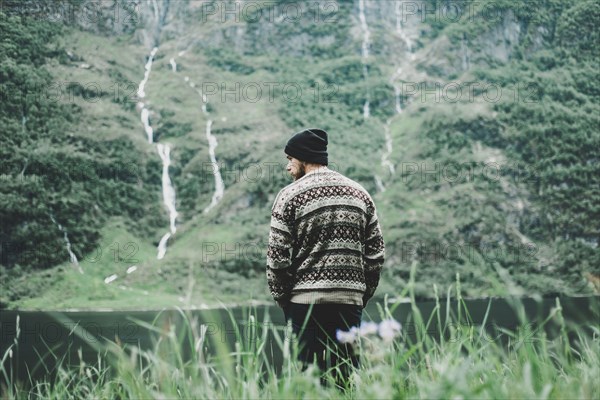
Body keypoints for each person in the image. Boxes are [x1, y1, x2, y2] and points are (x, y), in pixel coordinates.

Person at [266, 128, 385, 389]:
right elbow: (376, 255)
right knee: (345, 380)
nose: (288, 167)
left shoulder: (289, 196)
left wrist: (284, 300)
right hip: (348, 303)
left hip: (304, 304)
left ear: (302, 157)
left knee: (308, 382)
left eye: (290, 159)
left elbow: (277, 260)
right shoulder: (360, 194)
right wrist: (360, 295)